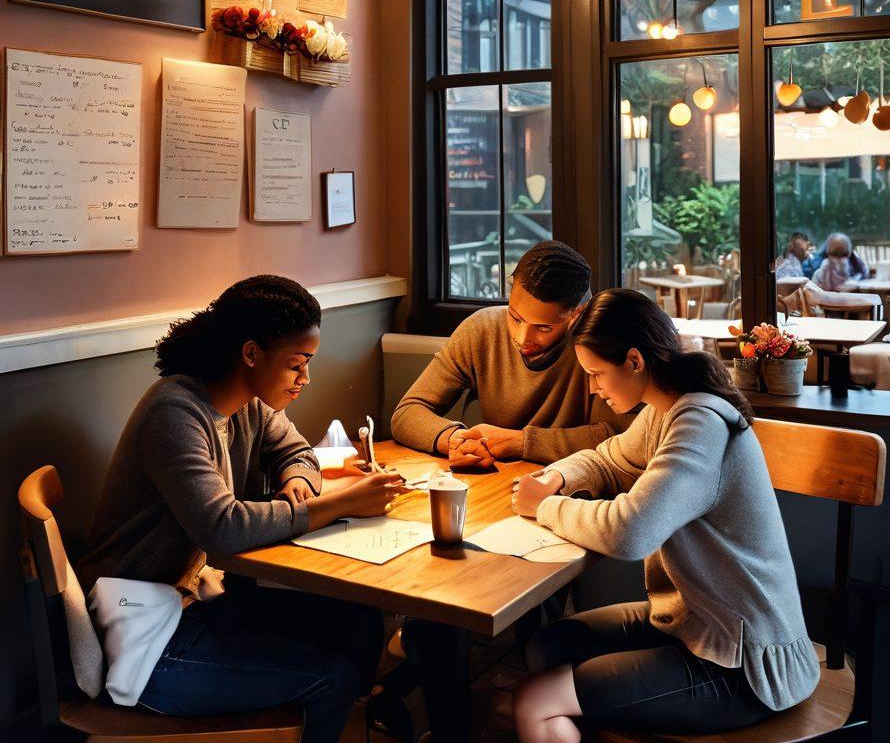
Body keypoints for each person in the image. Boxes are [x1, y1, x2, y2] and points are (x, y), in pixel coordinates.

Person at [78, 274, 405, 743]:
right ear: (251, 354)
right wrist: (334, 505)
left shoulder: (250, 403)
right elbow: (221, 528)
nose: (306, 378)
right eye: (297, 364)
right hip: (145, 640)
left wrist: (297, 481)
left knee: (356, 626)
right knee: (332, 678)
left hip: (195, 606)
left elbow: (298, 452)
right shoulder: (174, 413)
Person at [510, 289, 819, 741]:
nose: (593, 388)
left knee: (535, 700)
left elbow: (630, 531)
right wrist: (554, 480)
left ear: (634, 361)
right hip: (688, 622)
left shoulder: (700, 422)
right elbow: (607, 459)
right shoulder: (666, 408)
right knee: (547, 648)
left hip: (743, 663)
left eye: (596, 374)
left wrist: (546, 507)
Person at [391, 241, 633, 469]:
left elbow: (619, 438)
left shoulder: (599, 344)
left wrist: (522, 442)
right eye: (515, 317)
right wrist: (456, 439)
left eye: (543, 328)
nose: (522, 337)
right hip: (500, 484)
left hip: (572, 489)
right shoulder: (482, 329)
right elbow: (407, 412)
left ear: (576, 316)